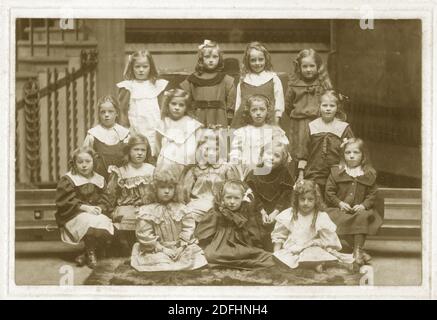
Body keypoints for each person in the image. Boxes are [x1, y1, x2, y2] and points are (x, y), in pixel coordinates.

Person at [130, 172, 208, 272]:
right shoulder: (147, 211)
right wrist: (162, 249)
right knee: (159, 260)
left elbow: (188, 229)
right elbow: (144, 234)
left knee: (193, 254)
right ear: (155, 189)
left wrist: (181, 247)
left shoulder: (182, 209)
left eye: (170, 188)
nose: (167, 191)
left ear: (175, 190)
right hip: (157, 248)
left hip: (179, 246)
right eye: (162, 187)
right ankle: (164, 262)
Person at [325, 138, 383, 265]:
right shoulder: (336, 172)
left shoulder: (368, 173)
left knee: (361, 217)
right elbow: (329, 192)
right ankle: (361, 251)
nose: (351, 156)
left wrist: (363, 205)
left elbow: (373, 194)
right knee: (332, 217)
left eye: (356, 152)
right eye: (348, 152)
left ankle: (357, 251)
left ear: (363, 156)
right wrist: (339, 203)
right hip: (341, 209)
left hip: (360, 210)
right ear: (343, 155)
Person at [272, 179, 353, 270]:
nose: (306, 203)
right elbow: (279, 235)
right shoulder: (289, 214)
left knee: (314, 253)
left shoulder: (320, 216)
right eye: (302, 199)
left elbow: (328, 240)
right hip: (292, 249)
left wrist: (314, 243)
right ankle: (312, 264)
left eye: (310, 199)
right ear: (296, 199)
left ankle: (314, 263)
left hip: (311, 248)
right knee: (283, 257)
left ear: (316, 200)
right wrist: (276, 253)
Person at [55, 147, 114, 269]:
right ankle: (91, 253)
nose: (84, 165)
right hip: (73, 214)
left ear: (94, 162)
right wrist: (85, 208)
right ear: (74, 163)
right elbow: (65, 202)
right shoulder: (69, 179)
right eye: (80, 162)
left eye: (88, 161)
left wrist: (100, 207)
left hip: (94, 213)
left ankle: (86, 253)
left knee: (102, 220)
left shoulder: (99, 179)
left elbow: (106, 199)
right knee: (88, 221)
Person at [195, 180, 275, 269]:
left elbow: (253, 231)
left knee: (262, 256)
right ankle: (243, 262)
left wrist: (254, 242)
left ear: (242, 198)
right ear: (222, 198)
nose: (232, 202)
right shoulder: (217, 212)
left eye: (236, 198)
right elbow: (205, 232)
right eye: (228, 197)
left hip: (242, 245)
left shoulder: (246, 212)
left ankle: (236, 261)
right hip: (221, 245)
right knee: (211, 255)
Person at [103, 134, 156, 254]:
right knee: (123, 216)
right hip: (126, 206)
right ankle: (127, 245)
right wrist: (110, 210)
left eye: (143, 150)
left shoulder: (151, 169)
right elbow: (111, 193)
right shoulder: (121, 171)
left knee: (150, 216)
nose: (140, 153)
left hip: (147, 205)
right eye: (136, 149)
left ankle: (145, 245)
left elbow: (156, 191)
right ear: (129, 151)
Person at [297, 90, 354, 196]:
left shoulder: (344, 127)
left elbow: (352, 151)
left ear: (337, 107)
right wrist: (301, 175)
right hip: (315, 174)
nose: (328, 109)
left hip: (337, 174)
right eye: (324, 105)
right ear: (319, 106)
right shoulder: (312, 126)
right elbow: (303, 153)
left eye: (332, 106)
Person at [117, 49, 169, 158]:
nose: (141, 70)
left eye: (145, 67)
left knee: (155, 155)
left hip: (154, 128)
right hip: (136, 129)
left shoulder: (157, 86)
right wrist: (125, 131)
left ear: (150, 67)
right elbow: (122, 111)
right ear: (132, 67)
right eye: (137, 67)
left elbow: (163, 109)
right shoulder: (128, 86)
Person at [285, 48, 332, 161]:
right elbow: (288, 105)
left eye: (312, 66)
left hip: (319, 122)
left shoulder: (323, 84)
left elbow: (330, 102)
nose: (308, 69)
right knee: (299, 152)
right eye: (304, 66)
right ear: (299, 68)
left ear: (318, 67)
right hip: (299, 124)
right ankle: (299, 175)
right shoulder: (294, 85)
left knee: (318, 151)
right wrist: (298, 114)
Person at [245, 142, 294, 251]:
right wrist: (262, 211)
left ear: (282, 159)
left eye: (277, 156)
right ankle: (256, 243)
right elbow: (253, 195)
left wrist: (276, 212)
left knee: (283, 222)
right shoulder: (255, 173)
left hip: (278, 208)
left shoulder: (284, 173)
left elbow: (286, 195)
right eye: (268, 154)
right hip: (259, 209)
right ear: (262, 155)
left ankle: (276, 245)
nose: (271, 158)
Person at [229, 94, 288, 180]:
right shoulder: (242, 132)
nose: (258, 113)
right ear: (249, 112)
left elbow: (283, 152)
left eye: (262, 109)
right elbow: (235, 153)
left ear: (267, 111)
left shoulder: (275, 132)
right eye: (254, 110)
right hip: (247, 171)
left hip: (269, 171)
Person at [179, 40, 236, 127]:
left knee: (219, 139)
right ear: (201, 59)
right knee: (200, 139)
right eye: (207, 57)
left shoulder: (226, 80)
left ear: (219, 59)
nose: (211, 60)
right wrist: (190, 117)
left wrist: (229, 119)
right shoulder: (193, 79)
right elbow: (185, 100)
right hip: (198, 119)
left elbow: (231, 102)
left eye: (214, 57)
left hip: (219, 118)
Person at [231, 42, 284, 129]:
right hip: (245, 124)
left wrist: (277, 119)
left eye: (260, 59)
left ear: (265, 60)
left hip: (268, 123)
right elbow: (238, 104)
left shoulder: (273, 78)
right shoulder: (243, 80)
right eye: (253, 60)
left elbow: (279, 102)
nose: (257, 63)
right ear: (248, 61)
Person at [155, 88, 203, 181]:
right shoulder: (164, 123)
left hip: (186, 165)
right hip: (166, 165)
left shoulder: (192, 124)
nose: (177, 107)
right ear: (167, 104)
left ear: (186, 107)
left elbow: (199, 145)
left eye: (181, 105)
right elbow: (157, 146)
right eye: (173, 104)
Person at [82, 95, 129, 180]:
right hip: (99, 180)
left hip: (121, 180)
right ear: (99, 114)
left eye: (110, 111)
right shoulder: (93, 135)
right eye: (103, 112)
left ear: (117, 113)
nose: (106, 115)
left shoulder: (125, 134)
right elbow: (83, 158)